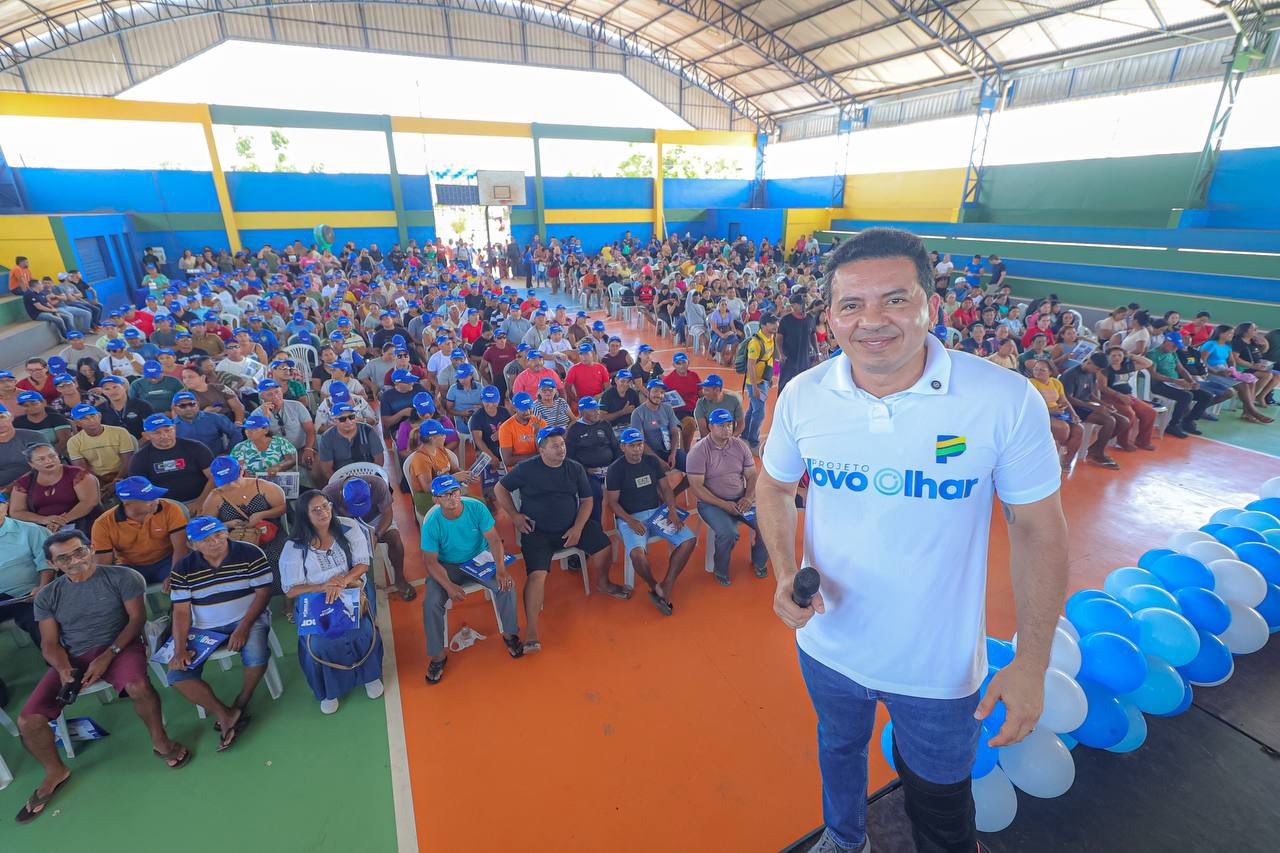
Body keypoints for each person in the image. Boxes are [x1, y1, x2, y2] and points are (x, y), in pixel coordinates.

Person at [756, 228, 1068, 853]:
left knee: (942, 804)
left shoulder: (1002, 399)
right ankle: (845, 840)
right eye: (851, 304)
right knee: (838, 749)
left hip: (938, 670)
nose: (872, 321)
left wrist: (1032, 662)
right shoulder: (803, 396)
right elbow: (773, 486)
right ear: (829, 317)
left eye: (895, 300)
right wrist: (786, 570)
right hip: (827, 645)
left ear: (932, 305)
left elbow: (1037, 528)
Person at [13, 530, 192, 824]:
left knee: (137, 686)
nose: (75, 561)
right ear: (52, 564)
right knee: (27, 720)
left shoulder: (123, 577)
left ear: (92, 549)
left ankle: (161, 741)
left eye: (79, 552)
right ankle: (55, 771)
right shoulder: (47, 595)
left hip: (121, 646)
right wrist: (63, 668)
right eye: (64, 558)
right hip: (73, 657)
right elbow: (49, 643)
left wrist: (109, 654)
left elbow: (137, 620)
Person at [495, 426, 625, 653]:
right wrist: (515, 516)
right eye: (555, 446)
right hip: (537, 532)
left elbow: (586, 500)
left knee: (604, 546)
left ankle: (603, 583)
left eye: (562, 444)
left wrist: (578, 528)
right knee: (537, 576)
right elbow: (500, 488)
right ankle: (532, 631)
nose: (561, 449)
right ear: (542, 450)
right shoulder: (527, 469)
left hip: (571, 526)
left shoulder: (574, 468)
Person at [166, 516, 272, 750]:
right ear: (193, 545)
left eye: (218, 534)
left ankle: (241, 701)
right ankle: (224, 714)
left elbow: (263, 594)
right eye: (206, 539)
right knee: (177, 675)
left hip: (247, 618)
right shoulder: (183, 568)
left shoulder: (250, 552)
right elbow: (181, 612)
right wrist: (180, 649)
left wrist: (242, 628)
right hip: (204, 627)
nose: (215, 541)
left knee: (256, 653)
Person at [279, 491, 384, 715]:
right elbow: (291, 589)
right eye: (315, 510)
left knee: (362, 631)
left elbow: (363, 564)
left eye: (325, 506)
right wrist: (323, 587)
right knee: (320, 643)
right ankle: (329, 690)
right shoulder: (294, 547)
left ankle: (370, 676)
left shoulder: (348, 527)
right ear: (305, 515)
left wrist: (343, 581)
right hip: (315, 598)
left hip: (350, 588)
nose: (323, 512)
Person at [420, 474, 524, 684]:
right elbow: (430, 562)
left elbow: (494, 540)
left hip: (479, 559)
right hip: (447, 566)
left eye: (455, 492)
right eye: (445, 495)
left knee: (507, 586)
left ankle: (510, 634)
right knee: (431, 602)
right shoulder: (431, 523)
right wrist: (448, 586)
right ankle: (438, 655)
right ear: (435, 499)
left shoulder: (476, 508)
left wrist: (501, 570)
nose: (452, 498)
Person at [606, 428, 696, 616]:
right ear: (623, 447)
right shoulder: (615, 469)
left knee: (689, 540)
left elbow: (666, 489)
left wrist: (672, 511)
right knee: (637, 556)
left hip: (657, 512)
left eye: (639, 445)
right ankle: (654, 585)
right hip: (630, 517)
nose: (637, 449)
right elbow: (612, 503)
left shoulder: (652, 462)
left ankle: (667, 584)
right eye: (632, 446)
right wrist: (630, 521)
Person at [686, 408, 768, 585]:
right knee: (729, 534)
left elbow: (752, 475)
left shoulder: (740, 446)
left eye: (729, 424)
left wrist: (748, 497)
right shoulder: (699, 451)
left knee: (767, 525)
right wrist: (723, 504)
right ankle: (720, 569)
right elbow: (697, 487)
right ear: (710, 427)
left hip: (740, 499)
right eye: (721, 425)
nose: (727, 429)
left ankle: (759, 561)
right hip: (711, 503)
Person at [323, 474, 416, 602]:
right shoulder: (328, 494)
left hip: (375, 519)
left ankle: (400, 579)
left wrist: (377, 535)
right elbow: (328, 525)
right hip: (346, 523)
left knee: (395, 538)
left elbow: (388, 514)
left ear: (369, 488)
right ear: (341, 494)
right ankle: (355, 584)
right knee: (344, 553)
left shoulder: (378, 484)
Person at [91, 476, 189, 584]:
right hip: (130, 567)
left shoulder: (170, 509)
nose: (156, 501)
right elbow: (104, 564)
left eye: (155, 496)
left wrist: (175, 574)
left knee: (185, 578)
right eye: (148, 499)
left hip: (167, 560)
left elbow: (181, 547)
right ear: (127, 503)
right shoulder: (103, 524)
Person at [202, 456, 288, 572]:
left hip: (269, 534)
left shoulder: (262, 486)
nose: (231, 484)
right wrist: (227, 525)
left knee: (277, 557)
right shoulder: (215, 496)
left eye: (233, 479)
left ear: (241, 470)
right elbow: (206, 526)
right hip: (236, 539)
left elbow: (282, 508)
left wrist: (262, 514)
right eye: (225, 482)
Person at [129, 414, 215, 514]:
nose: (164, 436)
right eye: (157, 433)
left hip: (199, 501)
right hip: (162, 506)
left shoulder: (196, 447)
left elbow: (213, 477)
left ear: (174, 428)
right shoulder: (139, 458)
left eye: (168, 430)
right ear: (146, 436)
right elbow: (139, 488)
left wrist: (200, 502)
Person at [10, 443, 101, 534]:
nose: (48, 461)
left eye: (52, 456)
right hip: (42, 527)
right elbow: (16, 512)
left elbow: (89, 502)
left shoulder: (78, 474)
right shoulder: (24, 482)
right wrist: (44, 520)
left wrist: (63, 520)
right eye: (41, 459)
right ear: (31, 464)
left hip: (81, 522)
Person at [0, 493, 52, 647]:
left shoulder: (30, 531)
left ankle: (59, 661)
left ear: (6, 506)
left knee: (38, 621)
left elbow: (47, 564)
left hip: (27, 596)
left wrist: (42, 587)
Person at [1147, 332, 1222, 437]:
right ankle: (1173, 425)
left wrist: (1191, 382)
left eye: (1177, 346)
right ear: (1165, 341)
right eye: (1173, 345)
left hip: (1175, 383)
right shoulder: (1153, 354)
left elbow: (1181, 370)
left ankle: (1188, 421)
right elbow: (1154, 375)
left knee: (1206, 396)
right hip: (1159, 384)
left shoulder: (1173, 353)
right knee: (1186, 396)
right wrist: (1175, 381)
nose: (1175, 348)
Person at [1061, 358, 1129, 471]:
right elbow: (1069, 398)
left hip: (1086, 405)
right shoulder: (1070, 374)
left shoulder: (1091, 373)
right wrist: (1093, 407)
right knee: (1109, 421)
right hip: (1073, 407)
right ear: (1089, 363)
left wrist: (1103, 404)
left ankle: (1095, 449)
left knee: (1124, 421)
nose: (1097, 371)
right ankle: (1098, 454)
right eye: (1097, 368)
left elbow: (1090, 394)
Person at [249, 379, 318, 474]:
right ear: (262, 397)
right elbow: (258, 439)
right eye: (269, 394)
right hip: (275, 454)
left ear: (281, 391)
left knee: (317, 465)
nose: (275, 396)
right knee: (268, 470)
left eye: (277, 392)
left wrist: (308, 448)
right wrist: (265, 417)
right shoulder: (256, 414)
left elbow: (310, 430)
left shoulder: (297, 406)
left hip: (301, 449)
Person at [1027, 359, 1084, 472]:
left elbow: (1064, 401)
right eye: (1036, 369)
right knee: (1063, 428)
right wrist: (1051, 410)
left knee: (1079, 429)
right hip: (1040, 413)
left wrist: (1073, 414)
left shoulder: (1056, 382)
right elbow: (1031, 406)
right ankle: (1052, 457)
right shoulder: (1031, 383)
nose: (1038, 372)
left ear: (1050, 372)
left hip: (1057, 412)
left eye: (1042, 370)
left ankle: (1066, 462)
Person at [66, 404, 136, 489]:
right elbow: (82, 469)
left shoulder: (120, 432)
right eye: (84, 418)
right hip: (96, 480)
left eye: (93, 416)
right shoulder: (73, 442)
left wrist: (116, 481)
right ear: (77, 423)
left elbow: (128, 461)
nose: (91, 420)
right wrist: (100, 485)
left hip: (123, 477)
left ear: (99, 416)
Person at [315, 403, 384, 484]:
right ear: (334, 421)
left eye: (351, 417)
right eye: (342, 419)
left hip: (369, 474)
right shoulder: (327, 438)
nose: (348, 421)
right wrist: (343, 484)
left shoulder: (368, 431)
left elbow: (379, 460)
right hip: (341, 479)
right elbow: (327, 471)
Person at [742, 314, 778, 452]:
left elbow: (769, 358)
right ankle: (753, 441)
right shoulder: (755, 343)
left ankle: (745, 434)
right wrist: (755, 387)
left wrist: (769, 377)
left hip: (763, 380)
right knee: (759, 413)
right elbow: (750, 365)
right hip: (754, 382)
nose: (775, 325)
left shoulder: (771, 337)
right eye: (772, 323)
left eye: (776, 322)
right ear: (763, 326)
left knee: (753, 409)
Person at [171, 390, 240, 456]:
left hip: (215, 459)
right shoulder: (170, 426)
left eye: (192, 404)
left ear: (198, 404)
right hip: (188, 461)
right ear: (174, 408)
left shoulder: (215, 418)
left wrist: (229, 453)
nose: (188, 408)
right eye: (182, 406)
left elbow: (236, 433)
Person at [231, 414, 297, 476]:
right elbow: (234, 467)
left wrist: (279, 467)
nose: (248, 432)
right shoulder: (239, 447)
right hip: (252, 482)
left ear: (266, 430)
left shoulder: (280, 442)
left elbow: (292, 460)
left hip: (278, 481)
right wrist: (242, 473)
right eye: (247, 429)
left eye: (254, 429)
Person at [0, 403, 46, 488]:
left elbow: (45, 464)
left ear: (11, 417)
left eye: (2, 417)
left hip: (34, 485)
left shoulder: (34, 437)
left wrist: (10, 488)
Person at [497, 392, 544, 471]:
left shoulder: (540, 422)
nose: (528, 412)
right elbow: (507, 461)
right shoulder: (505, 428)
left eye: (529, 408)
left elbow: (544, 452)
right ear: (514, 408)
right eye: (523, 409)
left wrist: (537, 433)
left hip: (538, 466)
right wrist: (536, 457)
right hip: (518, 469)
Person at [778, 295, 817, 391]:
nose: (792, 307)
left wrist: (817, 352)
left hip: (805, 358)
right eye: (792, 305)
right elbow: (778, 338)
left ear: (801, 305)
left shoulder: (810, 318)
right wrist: (781, 354)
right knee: (784, 384)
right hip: (789, 359)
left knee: (804, 384)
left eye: (794, 304)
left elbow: (813, 335)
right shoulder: (785, 320)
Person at [96, 374, 152, 439]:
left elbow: (151, 430)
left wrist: (138, 444)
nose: (112, 391)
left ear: (124, 387)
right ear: (103, 392)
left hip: (141, 443)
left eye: (115, 387)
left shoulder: (142, 405)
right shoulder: (100, 410)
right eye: (107, 389)